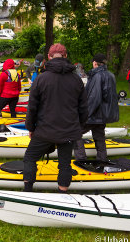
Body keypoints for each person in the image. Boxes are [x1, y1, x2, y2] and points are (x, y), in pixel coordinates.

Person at [23, 43, 88, 193]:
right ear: (65, 56)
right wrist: (79, 128)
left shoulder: (41, 79)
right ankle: (62, 192)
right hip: (68, 130)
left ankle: (27, 190)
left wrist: (30, 128)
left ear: (49, 57)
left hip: (45, 130)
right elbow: (84, 108)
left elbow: (32, 107)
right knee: (64, 163)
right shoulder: (76, 80)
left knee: (30, 158)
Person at [74, 53, 119, 162]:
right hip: (103, 114)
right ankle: (102, 159)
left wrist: (84, 114)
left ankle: (81, 159)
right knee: (99, 137)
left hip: (94, 114)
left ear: (95, 63)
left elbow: (94, 98)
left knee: (74, 132)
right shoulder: (111, 75)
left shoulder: (97, 76)